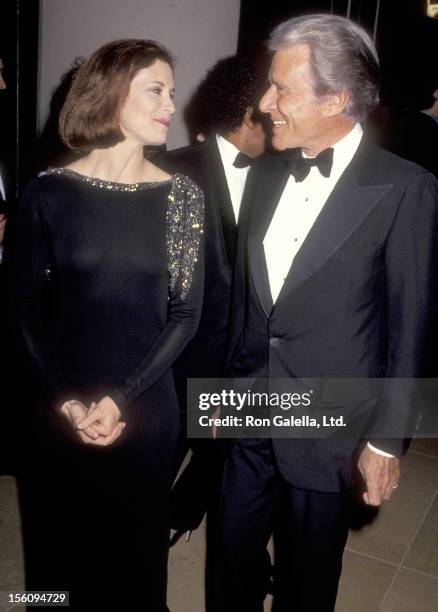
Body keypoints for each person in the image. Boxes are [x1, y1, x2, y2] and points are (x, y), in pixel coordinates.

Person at [216, 14, 438, 612]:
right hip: (250, 406)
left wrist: (388, 441)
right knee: (230, 552)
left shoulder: (404, 188)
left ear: (337, 98)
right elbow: (245, 300)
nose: (265, 103)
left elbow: (411, 324)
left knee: (307, 581)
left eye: (281, 88)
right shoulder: (263, 173)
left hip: (332, 424)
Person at [14, 39, 204, 610]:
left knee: (135, 560)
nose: (171, 102)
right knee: (55, 556)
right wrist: (66, 402)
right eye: (156, 89)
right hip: (60, 404)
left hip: (145, 411)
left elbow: (186, 315)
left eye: (172, 91)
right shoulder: (46, 193)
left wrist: (120, 399)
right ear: (112, 93)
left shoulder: (183, 200)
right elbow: (22, 310)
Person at [156, 54, 267, 535]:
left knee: (223, 463)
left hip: (244, 367)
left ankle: (180, 518)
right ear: (247, 109)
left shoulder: (283, 176)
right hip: (177, 366)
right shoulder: (168, 171)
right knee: (149, 475)